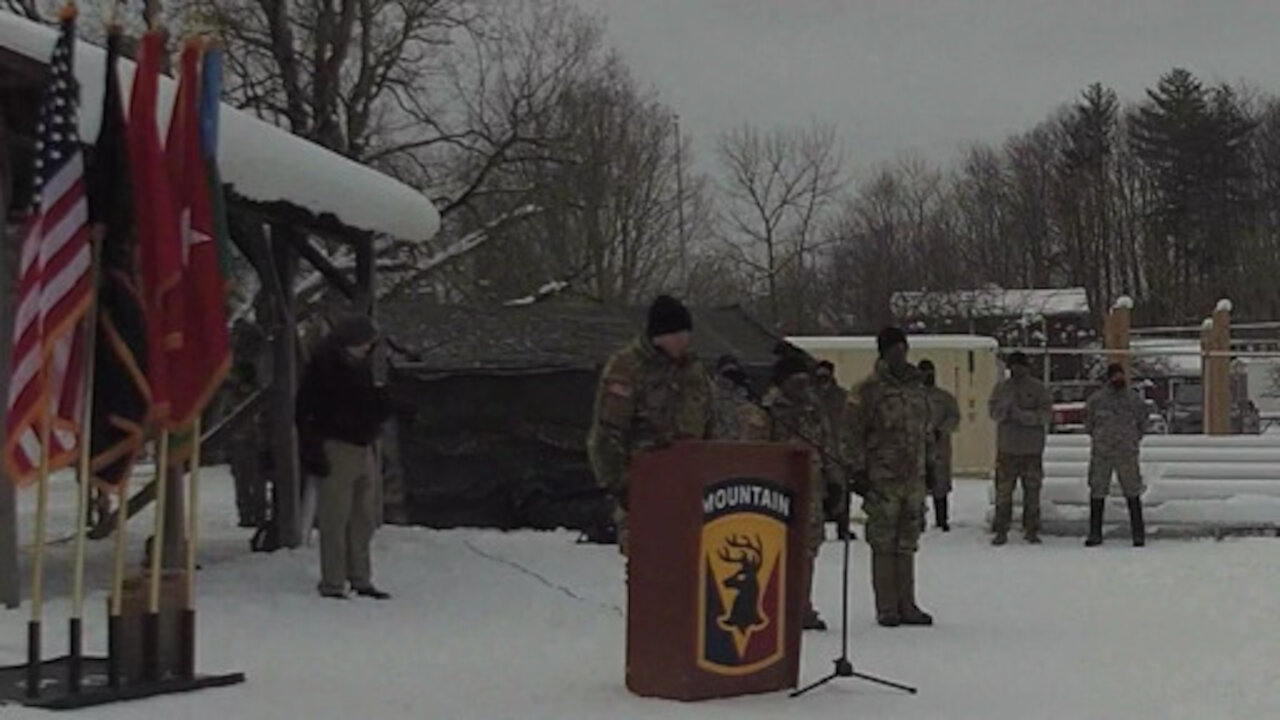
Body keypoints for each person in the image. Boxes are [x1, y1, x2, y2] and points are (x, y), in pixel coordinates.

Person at [587, 295, 714, 556]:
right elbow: (607, 434)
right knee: (650, 573)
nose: (684, 341)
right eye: (678, 335)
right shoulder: (627, 368)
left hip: (690, 490)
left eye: (686, 334)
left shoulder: (693, 370)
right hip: (644, 488)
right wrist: (623, 487)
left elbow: (709, 421)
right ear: (660, 335)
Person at [296, 312, 395, 600]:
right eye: (366, 342)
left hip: (363, 444)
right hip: (336, 445)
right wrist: (312, 448)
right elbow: (307, 412)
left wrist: (385, 404)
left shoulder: (360, 367)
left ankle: (360, 577)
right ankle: (333, 581)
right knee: (335, 517)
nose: (369, 347)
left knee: (363, 516)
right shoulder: (324, 368)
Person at [846, 327, 934, 627]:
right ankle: (887, 606)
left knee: (908, 539)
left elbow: (927, 431)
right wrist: (857, 471)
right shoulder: (868, 390)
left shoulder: (917, 387)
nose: (900, 354)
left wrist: (932, 466)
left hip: (913, 476)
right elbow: (852, 433)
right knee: (883, 540)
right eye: (893, 349)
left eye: (903, 348)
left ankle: (907, 603)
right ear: (883, 352)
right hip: (882, 476)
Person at [745, 355, 834, 631]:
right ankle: (773, 607)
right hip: (776, 494)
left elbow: (827, 444)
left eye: (804, 381)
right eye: (796, 381)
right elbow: (753, 453)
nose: (802, 386)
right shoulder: (766, 411)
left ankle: (801, 605)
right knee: (774, 552)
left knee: (808, 549)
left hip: (811, 488)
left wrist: (834, 480)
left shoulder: (812, 408)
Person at [987, 351, 1053, 546]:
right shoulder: (1001, 389)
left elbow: (1046, 414)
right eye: (1014, 366)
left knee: (1032, 491)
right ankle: (1001, 529)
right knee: (1003, 492)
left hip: (1031, 449)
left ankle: (1031, 529)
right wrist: (1005, 410)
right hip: (1008, 449)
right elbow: (992, 413)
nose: (1017, 370)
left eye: (1020, 366)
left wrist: (1024, 416)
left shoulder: (1038, 388)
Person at [1084, 364, 1149, 547]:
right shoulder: (1096, 400)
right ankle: (1094, 533)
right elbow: (1088, 423)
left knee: (1132, 492)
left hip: (1126, 454)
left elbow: (1143, 422)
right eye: (1115, 375)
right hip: (1102, 453)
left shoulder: (1134, 399)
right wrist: (1100, 439)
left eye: (1121, 375)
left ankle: (1138, 534)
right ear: (1109, 378)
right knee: (1097, 491)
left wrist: (1132, 440)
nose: (1118, 379)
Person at [918, 359, 961, 532]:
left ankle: (942, 519)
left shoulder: (945, 397)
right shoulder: (912, 396)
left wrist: (941, 430)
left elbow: (954, 417)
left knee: (940, 484)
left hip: (939, 447)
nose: (927, 376)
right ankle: (918, 520)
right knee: (917, 485)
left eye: (930, 372)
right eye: (924, 372)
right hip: (918, 447)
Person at [813, 361, 854, 539]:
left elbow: (852, 423)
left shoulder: (842, 397)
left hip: (838, 450)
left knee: (842, 490)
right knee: (818, 490)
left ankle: (843, 527)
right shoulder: (810, 396)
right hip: (817, 449)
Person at [710, 354, 756, 440]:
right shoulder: (710, 393)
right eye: (726, 374)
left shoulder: (743, 394)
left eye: (733, 374)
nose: (729, 378)